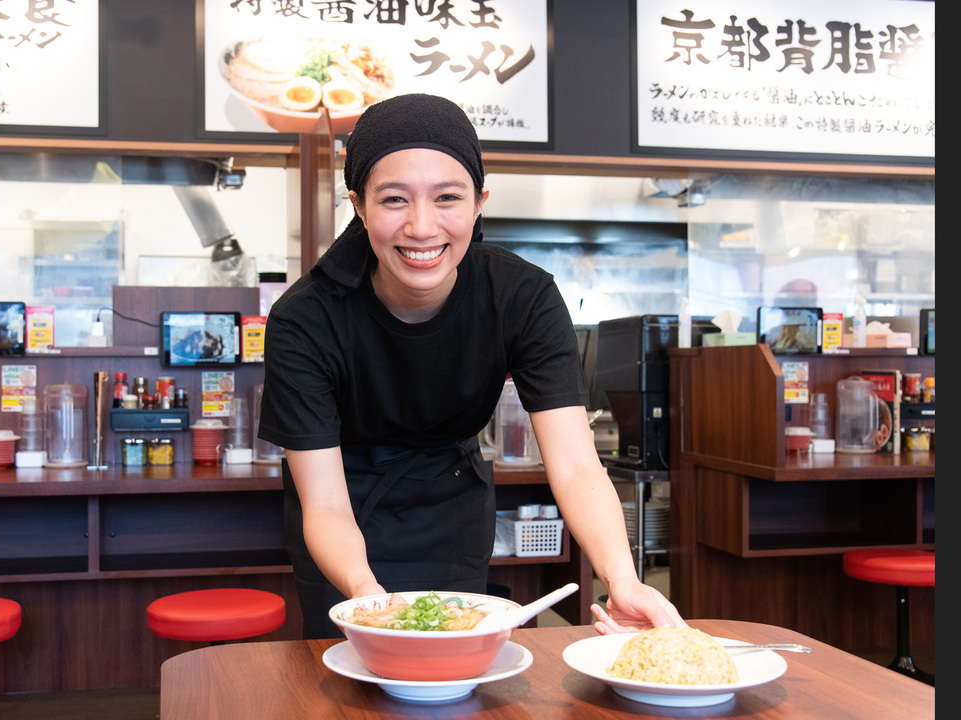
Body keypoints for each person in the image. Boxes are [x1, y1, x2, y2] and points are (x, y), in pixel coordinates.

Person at [257, 93, 685, 639]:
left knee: (456, 672)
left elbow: (577, 466)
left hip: (451, 503)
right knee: (354, 678)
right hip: (342, 519)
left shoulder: (521, 297)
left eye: (447, 198)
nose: (421, 226)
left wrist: (622, 578)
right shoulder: (306, 318)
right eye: (393, 200)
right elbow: (323, 503)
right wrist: (368, 600)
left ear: (479, 202)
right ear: (359, 207)